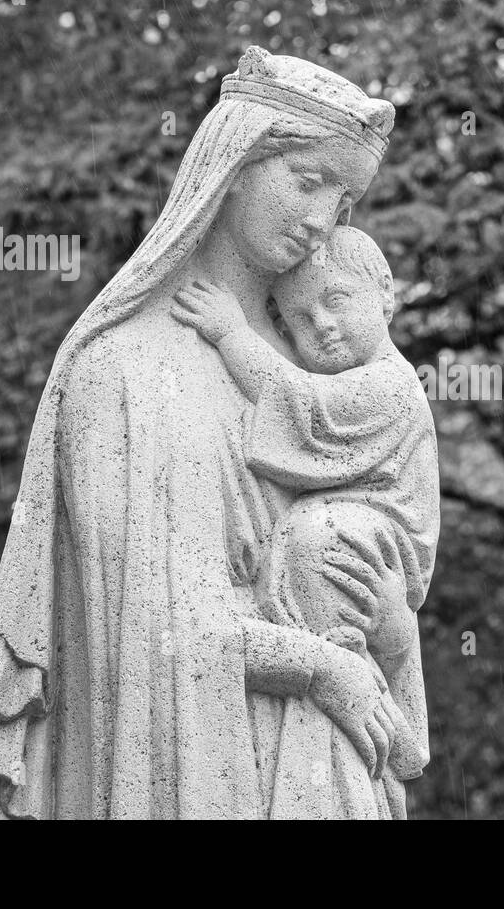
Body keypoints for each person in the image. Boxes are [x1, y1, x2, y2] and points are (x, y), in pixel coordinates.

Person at [0, 46, 427, 819]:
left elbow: (378, 564)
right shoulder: (127, 374)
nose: (319, 220)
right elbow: (161, 637)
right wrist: (318, 668)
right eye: (307, 179)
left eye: (341, 200)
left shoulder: (317, 369)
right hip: (209, 775)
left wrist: (395, 632)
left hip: (339, 775)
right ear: (237, 162)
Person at [170, 226, 439, 803]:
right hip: (345, 559)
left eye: (335, 299)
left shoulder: (391, 388)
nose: (321, 325)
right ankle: (365, 728)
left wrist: (232, 333)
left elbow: (304, 410)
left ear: (385, 292)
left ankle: (395, 738)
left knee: (326, 558)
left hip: (372, 547)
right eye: (298, 319)